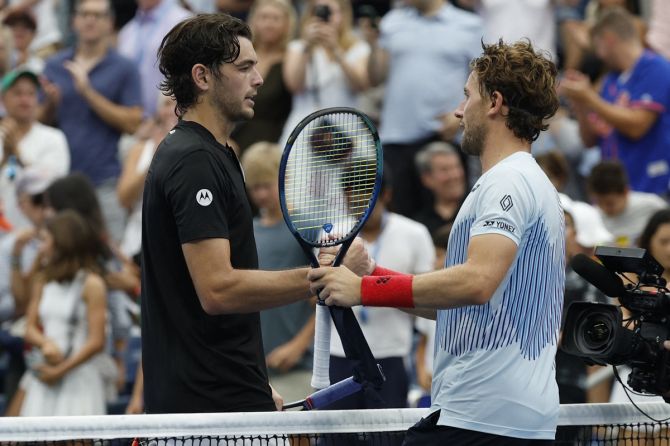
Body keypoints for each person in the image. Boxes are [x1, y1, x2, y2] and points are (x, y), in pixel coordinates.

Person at [308, 40, 564, 444]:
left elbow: (476, 283)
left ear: (495, 103)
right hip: (490, 415)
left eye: (467, 97)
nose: (460, 111)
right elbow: (457, 302)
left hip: (483, 416)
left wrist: (361, 289)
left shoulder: (508, 181)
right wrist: (374, 276)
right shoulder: (523, 180)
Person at [142, 13, 317, 414]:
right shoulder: (193, 160)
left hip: (226, 398)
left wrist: (253, 381)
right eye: (244, 68)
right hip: (207, 413)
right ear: (203, 77)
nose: (258, 79)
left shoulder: (213, 154)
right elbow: (218, 289)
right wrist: (318, 280)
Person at [363, 0, 482, 217]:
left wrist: (463, 114)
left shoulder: (470, 25)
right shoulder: (392, 21)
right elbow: (375, 78)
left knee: (448, 219)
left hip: (441, 139)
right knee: (401, 217)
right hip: (396, 139)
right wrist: (373, 45)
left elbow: (484, 81)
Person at [39, 0, 143, 243]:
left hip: (104, 181)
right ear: (73, 21)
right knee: (64, 261)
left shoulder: (124, 67)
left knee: (110, 257)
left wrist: (88, 93)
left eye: (97, 15)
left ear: (110, 22)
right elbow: (37, 122)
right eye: (84, 14)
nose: (90, 20)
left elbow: (133, 122)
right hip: (60, 181)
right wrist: (50, 105)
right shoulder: (54, 65)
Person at [560, 7, 670, 196]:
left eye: (598, 46)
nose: (599, 55)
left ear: (609, 39)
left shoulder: (656, 67)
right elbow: (590, 141)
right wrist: (581, 106)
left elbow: (638, 126)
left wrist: (589, 97)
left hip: (651, 188)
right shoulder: (611, 79)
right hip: (615, 193)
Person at [240, 141, 315, 404]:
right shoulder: (247, 232)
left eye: (266, 185)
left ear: (284, 180)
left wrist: (298, 345)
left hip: (299, 368)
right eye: (254, 187)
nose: (260, 194)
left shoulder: (306, 228)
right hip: (257, 373)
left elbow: (325, 298)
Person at [20, 209, 108, 416]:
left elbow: (97, 341)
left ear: (61, 243)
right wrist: (46, 343)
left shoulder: (92, 284)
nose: (41, 248)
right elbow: (29, 328)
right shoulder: (42, 281)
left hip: (79, 381)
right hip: (46, 376)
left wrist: (59, 371)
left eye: (45, 240)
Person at [279, 0, 369, 147]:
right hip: (305, 128)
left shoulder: (358, 47)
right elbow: (294, 86)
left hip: (346, 129)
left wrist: (336, 50)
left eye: (331, 12)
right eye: (318, 11)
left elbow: (361, 85)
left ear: (343, 15)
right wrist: (307, 46)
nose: (326, 17)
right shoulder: (298, 47)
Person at [0, 68, 69, 230]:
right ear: (3, 99)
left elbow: (47, 187)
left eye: (31, 94)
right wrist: (5, 159)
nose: (25, 100)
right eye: (17, 93)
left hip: (38, 235)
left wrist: (15, 154)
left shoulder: (54, 138)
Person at [230, 0, 294, 153]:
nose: (269, 24)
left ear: (287, 24)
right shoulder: (238, 55)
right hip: (234, 136)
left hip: (271, 142)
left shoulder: (291, 58)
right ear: (254, 20)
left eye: (275, 18)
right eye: (264, 17)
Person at [117, 0, 191, 118]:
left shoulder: (183, 21)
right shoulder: (127, 32)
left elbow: (188, 75)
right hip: (132, 122)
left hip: (171, 120)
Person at [586, 160, 667, 247]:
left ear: (625, 192)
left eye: (610, 203)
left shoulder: (652, 205)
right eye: (598, 202)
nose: (604, 208)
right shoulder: (592, 215)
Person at [413, 141, 467, 236]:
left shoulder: (479, 209)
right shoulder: (419, 226)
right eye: (445, 170)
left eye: (457, 167)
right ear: (427, 179)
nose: (454, 175)